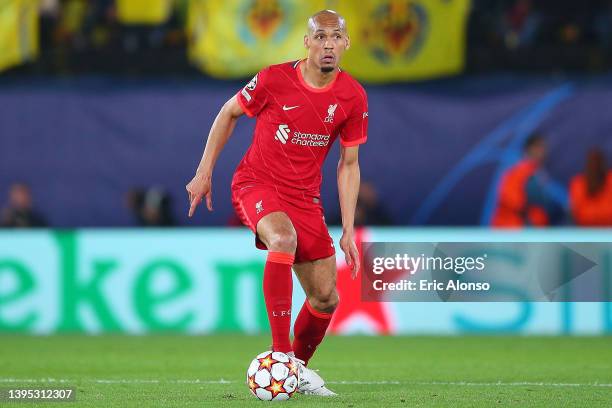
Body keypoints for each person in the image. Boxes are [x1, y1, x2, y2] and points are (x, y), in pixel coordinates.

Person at [185, 10, 367, 396]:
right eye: (320, 37)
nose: (328, 44)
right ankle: (280, 355)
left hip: (305, 197)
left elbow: (348, 164)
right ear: (307, 42)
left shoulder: (352, 96)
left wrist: (349, 228)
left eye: (336, 37)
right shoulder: (274, 79)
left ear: (347, 43)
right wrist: (204, 172)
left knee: (325, 297)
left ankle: (295, 369)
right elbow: (229, 111)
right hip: (257, 183)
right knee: (282, 239)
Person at [491, 133, 562, 227]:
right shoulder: (521, 171)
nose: (543, 151)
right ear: (529, 149)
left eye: (543, 147)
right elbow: (510, 198)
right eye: (538, 147)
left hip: (529, 230)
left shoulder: (538, 172)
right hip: (513, 231)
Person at [569, 149, 612, 226]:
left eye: (597, 163)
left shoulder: (610, 180)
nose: (595, 166)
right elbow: (576, 211)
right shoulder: (578, 183)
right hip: (586, 228)